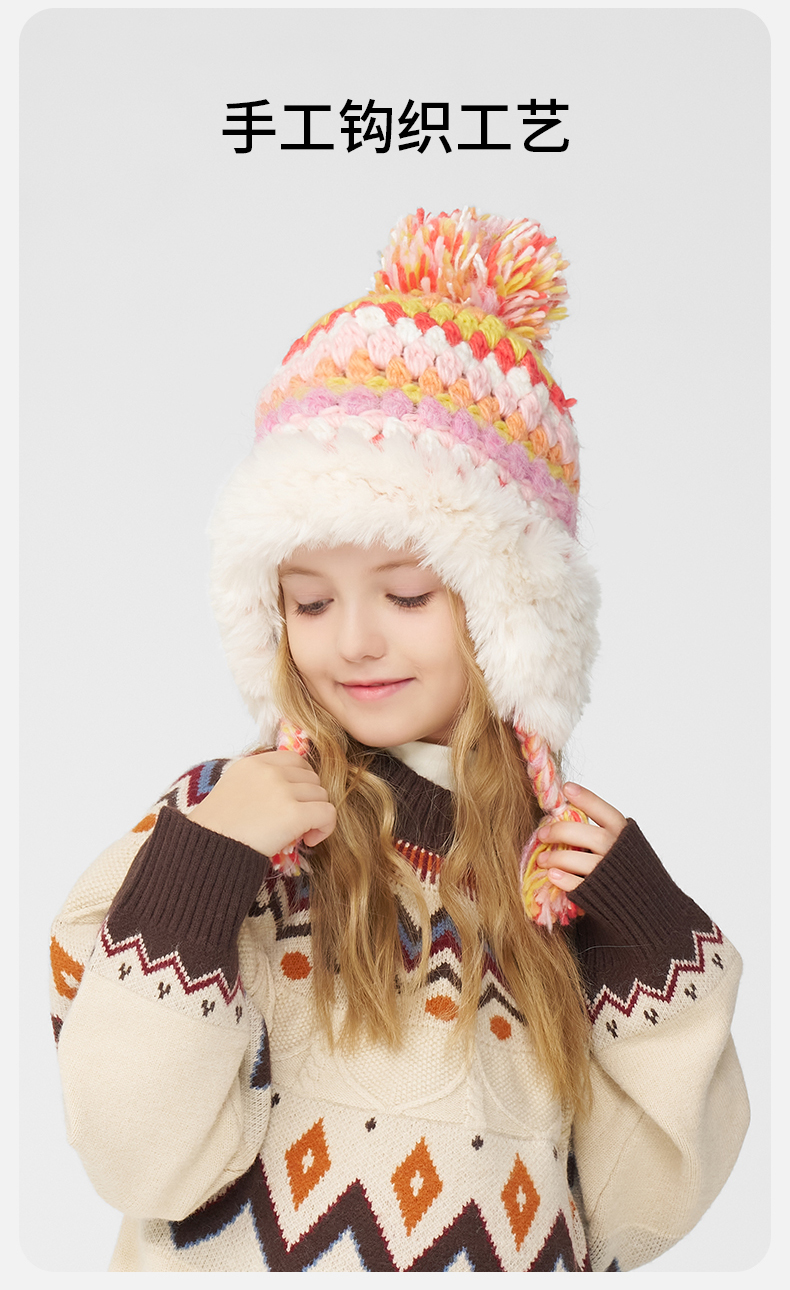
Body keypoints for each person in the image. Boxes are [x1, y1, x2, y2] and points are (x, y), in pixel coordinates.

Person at [49, 207, 749, 1273]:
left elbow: (636, 1218)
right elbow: (137, 1160)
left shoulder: (546, 881)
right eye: (309, 600)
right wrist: (202, 868)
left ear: (513, 613)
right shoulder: (232, 828)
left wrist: (644, 939)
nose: (354, 641)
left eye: (409, 593)